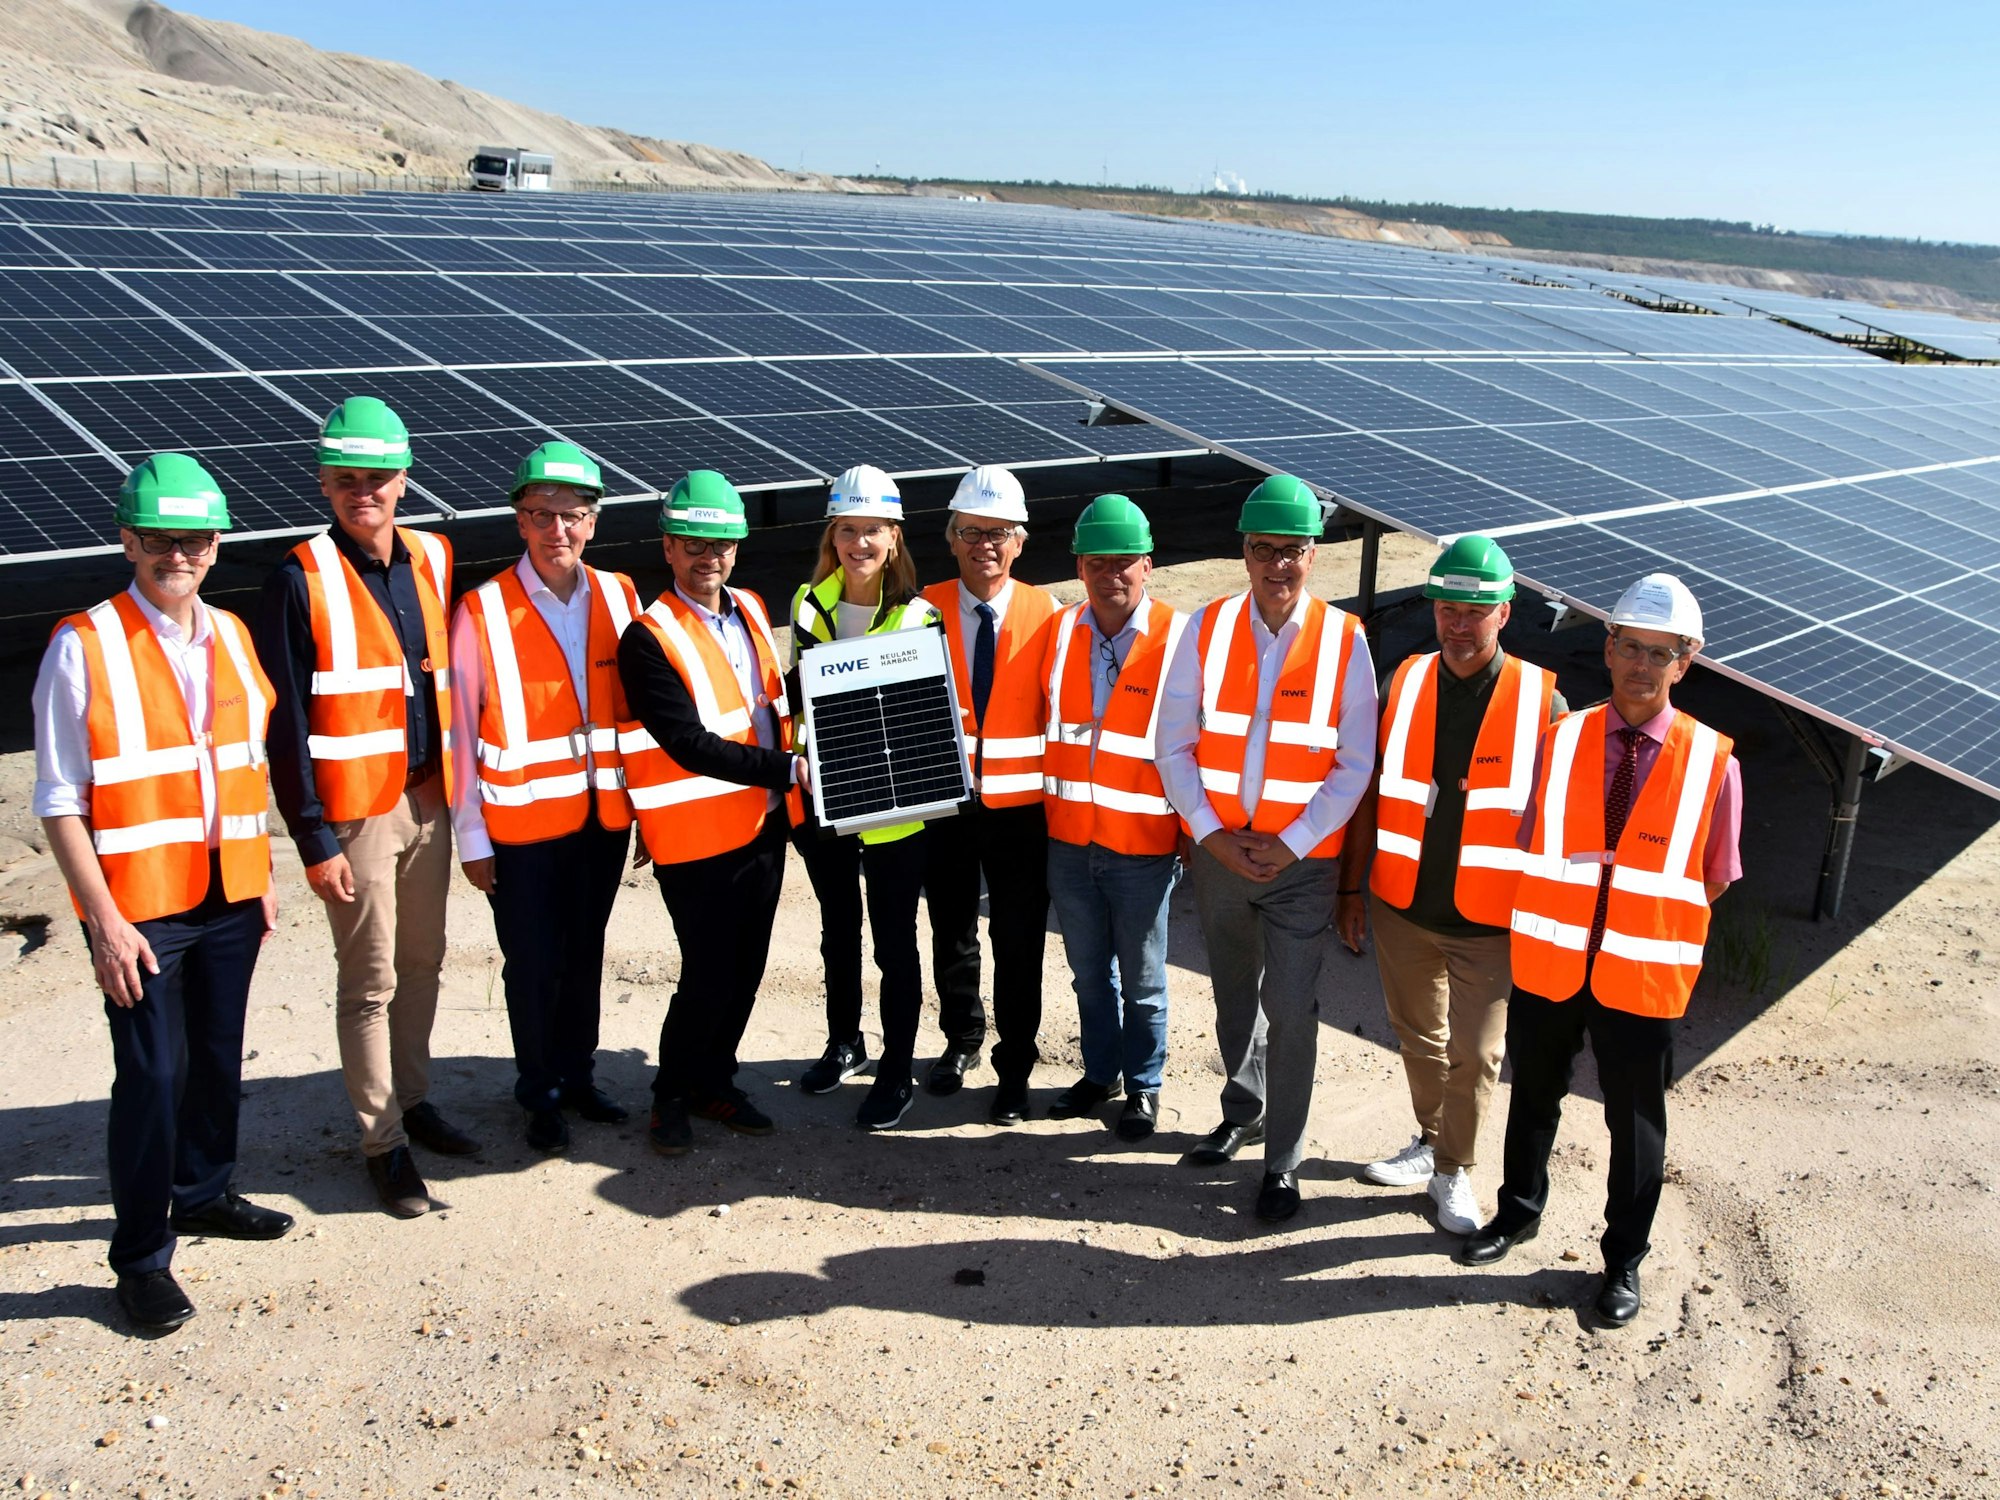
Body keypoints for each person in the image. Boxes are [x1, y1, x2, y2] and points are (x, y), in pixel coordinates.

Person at [34, 454, 294, 1331]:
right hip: (138, 906)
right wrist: (103, 923)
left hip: (228, 893)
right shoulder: (85, 643)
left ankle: (205, 1192)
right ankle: (142, 1257)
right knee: (151, 1075)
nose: (173, 555)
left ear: (216, 547)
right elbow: (60, 802)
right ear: (127, 540)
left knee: (217, 1061)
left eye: (190, 540)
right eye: (156, 540)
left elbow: (242, 772)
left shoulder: (231, 635)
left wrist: (258, 879)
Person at [1456, 573, 1742, 1329]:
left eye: (1663, 653)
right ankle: (1516, 1214)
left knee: (1636, 1124)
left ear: (1688, 662)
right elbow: (1533, 844)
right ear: (1607, 649)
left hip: (1640, 974)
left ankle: (1622, 1263)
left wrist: (1631, 922)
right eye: (1631, 648)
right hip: (1552, 960)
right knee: (1534, 1096)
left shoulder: (1715, 763)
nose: (1644, 666)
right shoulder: (1563, 739)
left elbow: (1711, 880)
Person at [256, 397, 478, 1222]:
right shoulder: (297, 577)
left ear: (404, 481)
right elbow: (285, 726)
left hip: (428, 794)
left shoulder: (433, 556)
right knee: (372, 978)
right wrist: (313, 839)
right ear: (323, 483)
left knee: (425, 960)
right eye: (348, 479)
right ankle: (383, 1145)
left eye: (379, 478)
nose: (365, 492)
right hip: (356, 813)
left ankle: (412, 1102)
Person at [1158, 474, 1377, 1222]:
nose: (1277, 566)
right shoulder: (1206, 628)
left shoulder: (1346, 640)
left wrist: (1292, 845)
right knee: (1230, 1002)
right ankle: (1242, 1106)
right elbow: (1173, 744)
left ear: (1313, 555)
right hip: (1221, 859)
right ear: (1244, 554)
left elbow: (1355, 762)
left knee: (1289, 1007)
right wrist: (1211, 835)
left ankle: (1282, 1162)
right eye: (1263, 550)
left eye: (1292, 551)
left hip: (1300, 868)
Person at [1336, 536, 1565, 1236]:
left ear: (1505, 613)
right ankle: (1432, 1143)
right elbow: (1371, 791)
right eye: (1447, 610)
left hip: (1492, 919)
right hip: (1403, 901)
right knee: (1417, 1037)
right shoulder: (1401, 681)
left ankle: (1455, 1169)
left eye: (1476, 611)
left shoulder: (1543, 701)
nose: (1459, 625)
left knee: (1479, 1053)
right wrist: (1350, 890)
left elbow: (1557, 823)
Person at [448, 442, 640, 1153]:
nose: (556, 529)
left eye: (571, 516)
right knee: (532, 964)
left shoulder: (620, 595)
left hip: (602, 819)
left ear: (592, 522)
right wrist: (472, 840)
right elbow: (461, 733)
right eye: (540, 515)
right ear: (519, 522)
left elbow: (640, 712)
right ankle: (540, 1093)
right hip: (521, 828)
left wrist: (647, 804)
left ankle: (578, 1075)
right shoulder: (482, 610)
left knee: (584, 952)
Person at [617, 470, 807, 1156]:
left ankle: (714, 1080)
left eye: (723, 543)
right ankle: (671, 1093)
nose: (710, 556)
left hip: (761, 826)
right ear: (668, 548)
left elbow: (770, 699)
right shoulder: (647, 637)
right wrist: (787, 768)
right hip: (695, 837)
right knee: (706, 971)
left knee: (746, 967)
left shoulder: (753, 609)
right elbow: (687, 742)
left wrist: (842, 675)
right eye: (694, 542)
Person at [786, 466, 944, 1130]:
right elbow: (800, 702)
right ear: (833, 534)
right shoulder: (806, 605)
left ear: (894, 536)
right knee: (836, 930)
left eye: (871, 530)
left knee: (894, 943)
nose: (859, 543)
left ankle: (897, 1068)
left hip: (894, 806)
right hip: (825, 799)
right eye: (847, 530)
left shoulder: (920, 613)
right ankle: (845, 1041)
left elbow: (925, 715)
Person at [1041, 495, 1188, 1143]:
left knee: (1146, 979)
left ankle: (1145, 1088)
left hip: (1144, 846)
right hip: (1071, 843)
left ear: (1149, 566)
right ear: (1080, 566)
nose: (1112, 575)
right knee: (1088, 973)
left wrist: (1189, 836)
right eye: (1099, 562)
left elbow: (1199, 748)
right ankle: (1100, 1075)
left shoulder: (1181, 641)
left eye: (1124, 562)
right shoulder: (1060, 633)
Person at [919, 464, 1059, 1124]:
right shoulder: (921, 610)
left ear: (1020, 541)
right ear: (951, 538)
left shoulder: (1048, 614)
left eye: (998, 532)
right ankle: (960, 1041)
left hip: (1022, 814)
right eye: (971, 531)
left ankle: (1016, 1066)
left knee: (1019, 938)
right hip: (945, 805)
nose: (985, 545)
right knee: (951, 930)